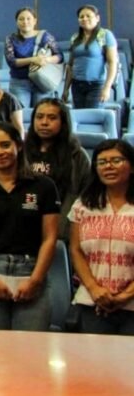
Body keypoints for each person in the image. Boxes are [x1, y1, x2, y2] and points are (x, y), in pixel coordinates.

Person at [0, 122, 59, 331]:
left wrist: (35, 280)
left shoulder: (43, 186)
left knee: (29, 348)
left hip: (32, 271)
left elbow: (50, 238)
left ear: (19, 145)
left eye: (5, 145)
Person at [68, 140, 134, 334]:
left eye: (116, 160)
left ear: (132, 167)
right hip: (92, 301)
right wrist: (94, 289)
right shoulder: (83, 205)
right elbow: (76, 250)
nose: (109, 166)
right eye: (102, 162)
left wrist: (127, 295)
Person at [24, 98, 92, 239]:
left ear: (63, 122)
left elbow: (84, 197)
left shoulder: (77, 156)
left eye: (52, 118)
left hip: (62, 227)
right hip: (25, 223)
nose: (44, 122)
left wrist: (60, 229)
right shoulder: (21, 152)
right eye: (39, 117)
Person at [6, 7, 64, 109]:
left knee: (41, 114)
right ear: (17, 22)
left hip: (42, 81)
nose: (25, 21)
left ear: (35, 21)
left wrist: (46, 60)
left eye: (29, 18)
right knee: (21, 115)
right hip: (19, 83)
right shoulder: (11, 38)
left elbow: (60, 56)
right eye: (21, 19)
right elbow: (11, 61)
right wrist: (33, 59)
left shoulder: (45, 36)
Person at [63, 4, 119, 109]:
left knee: (92, 116)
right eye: (81, 16)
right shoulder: (75, 37)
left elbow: (112, 63)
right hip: (77, 85)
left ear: (97, 18)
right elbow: (70, 65)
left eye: (88, 16)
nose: (84, 19)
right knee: (79, 117)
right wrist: (65, 89)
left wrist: (107, 87)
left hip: (96, 85)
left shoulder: (105, 35)